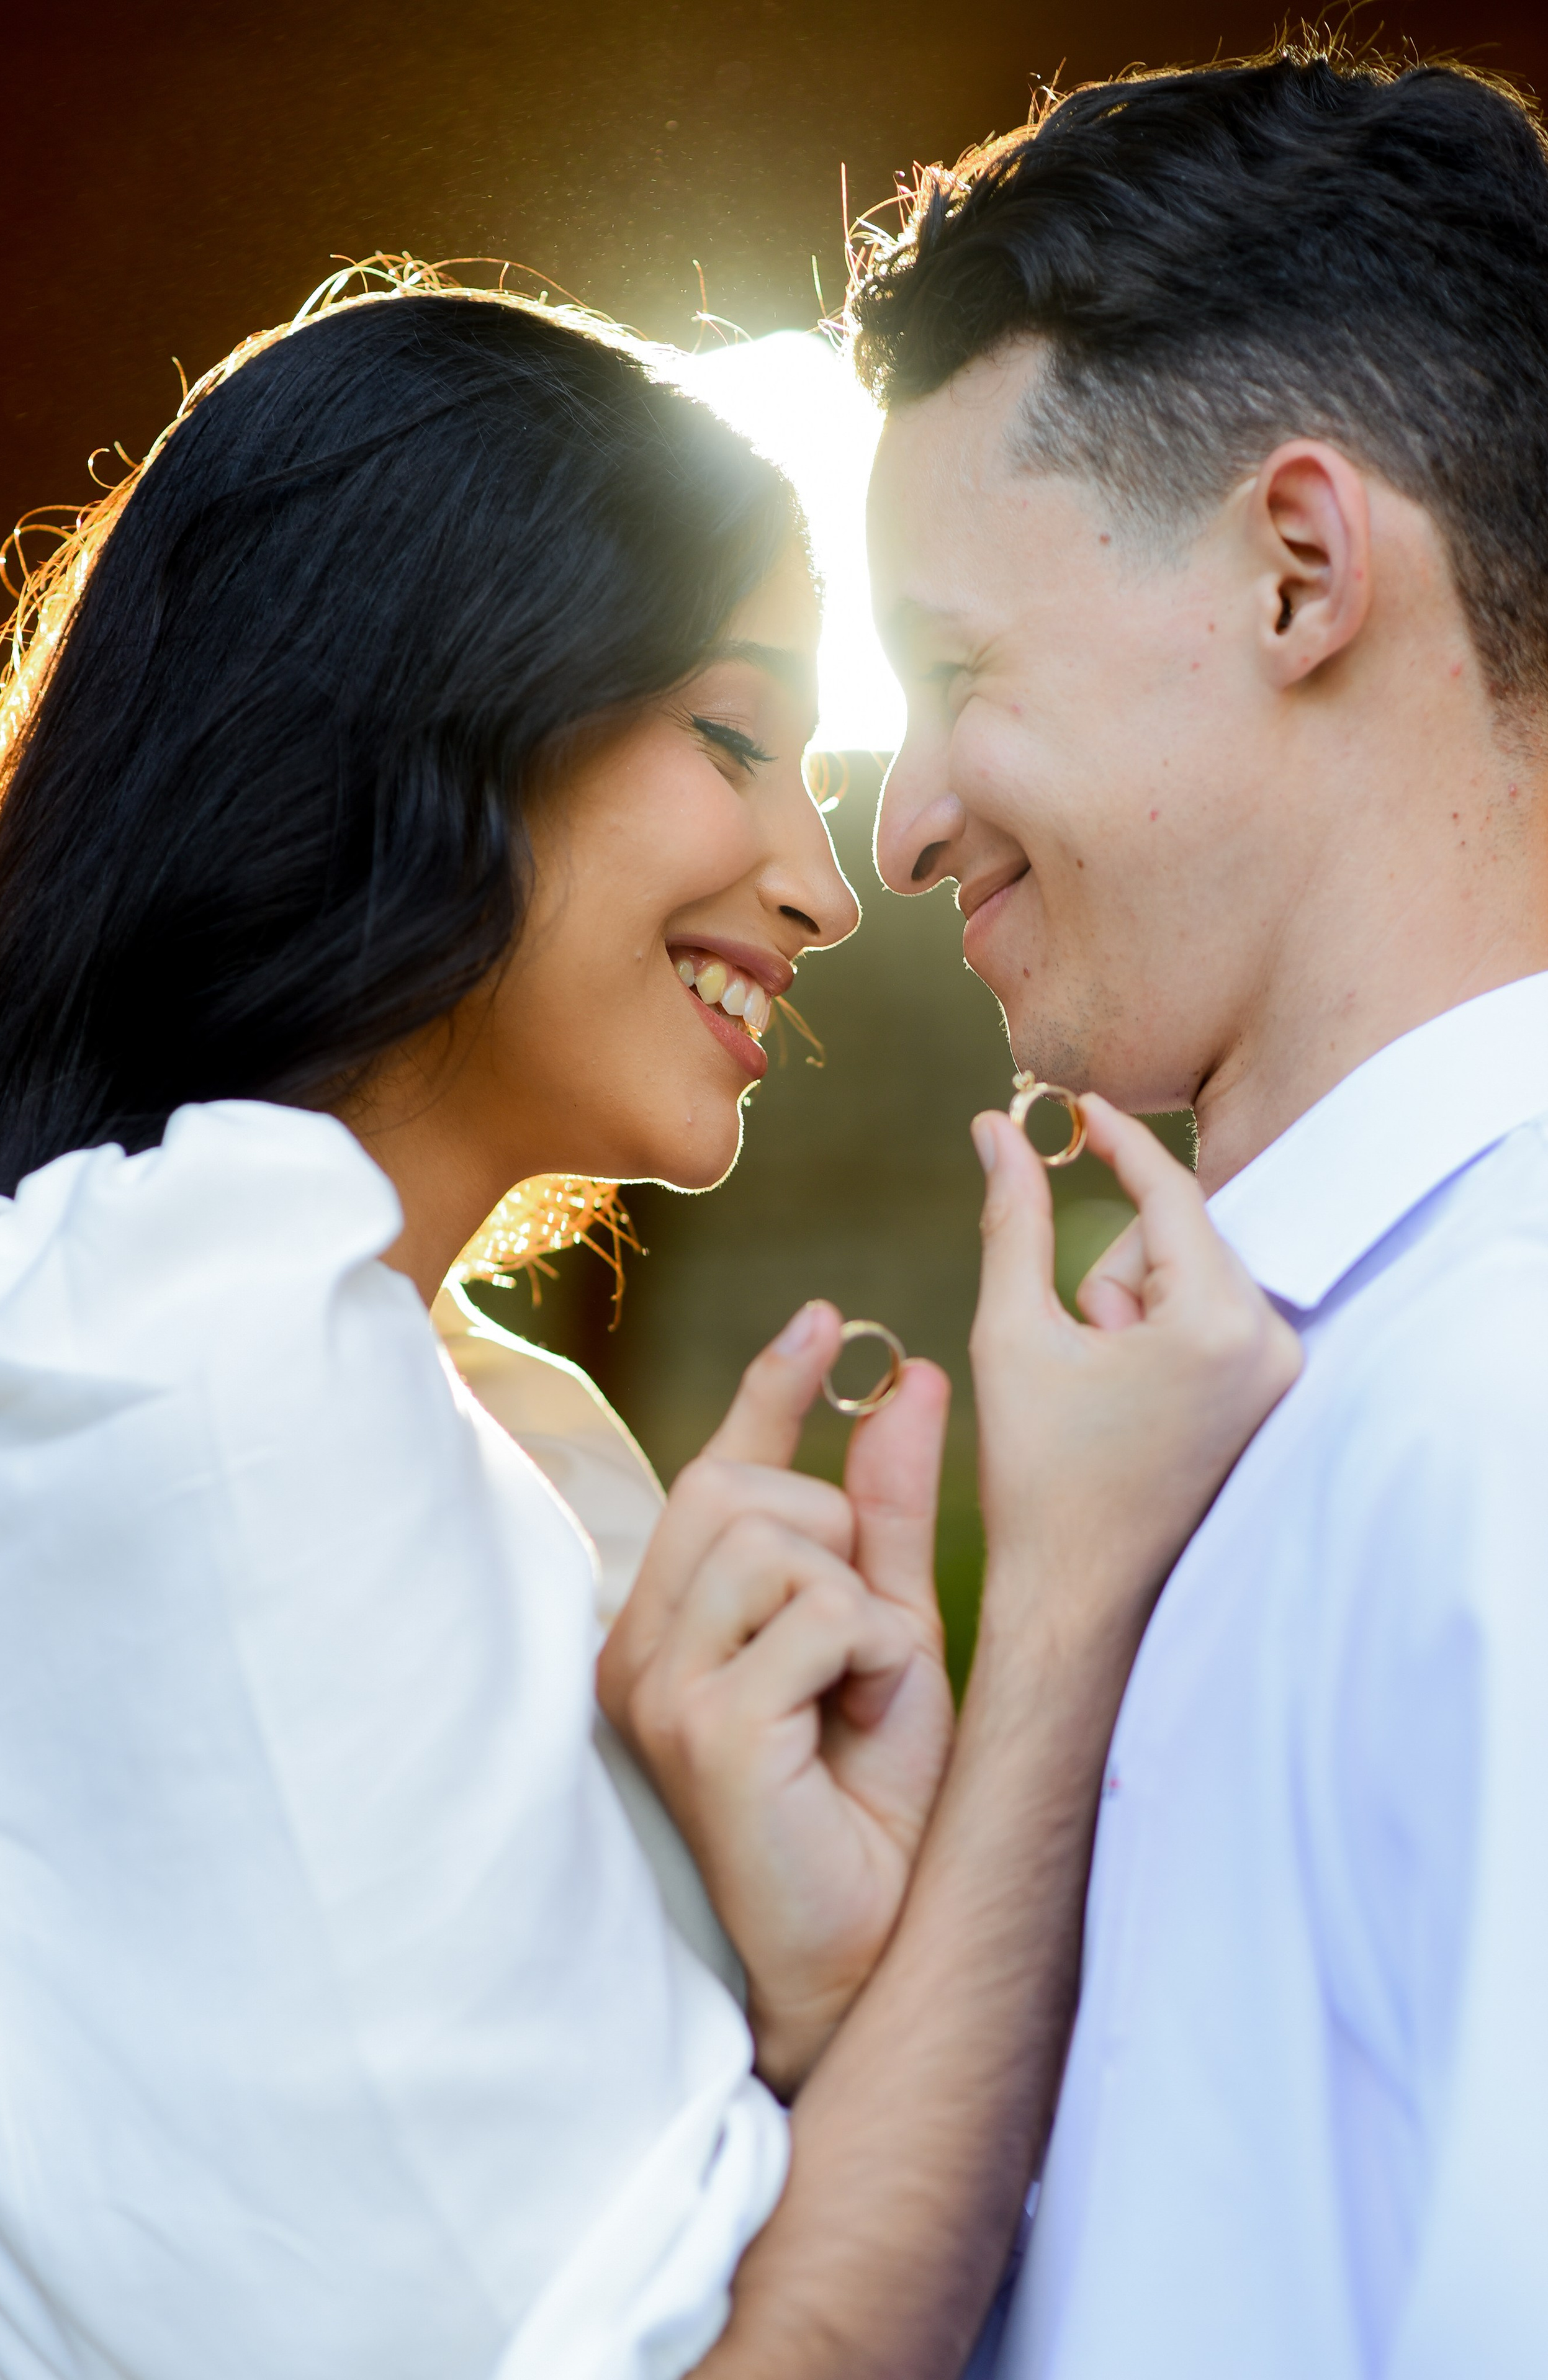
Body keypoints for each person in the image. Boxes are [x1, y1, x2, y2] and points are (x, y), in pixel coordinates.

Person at [0, 264, 1296, 2379]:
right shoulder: (193, 1348)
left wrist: (815, 1995)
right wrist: (1065, 1609)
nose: (830, 882)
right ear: (436, 690)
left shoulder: (500, 1416)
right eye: (734, 731)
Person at [852, 38, 1548, 2380]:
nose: (901, 820)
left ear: (1297, 572)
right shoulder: (1272, 1396)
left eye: (956, 669)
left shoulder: (1510, 1399)